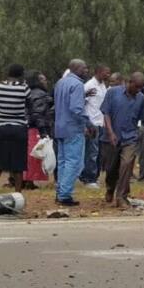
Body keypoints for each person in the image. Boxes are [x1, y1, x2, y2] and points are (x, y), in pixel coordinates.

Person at [100, 72, 144, 206]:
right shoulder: (113, 92)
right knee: (111, 168)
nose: (138, 90)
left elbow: (138, 117)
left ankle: (121, 196)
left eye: (140, 88)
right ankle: (110, 188)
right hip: (112, 136)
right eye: (136, 87)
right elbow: (106, 113)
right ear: (129, 82)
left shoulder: (141, 98)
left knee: (126, 165)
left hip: (130, 137)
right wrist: (110, 132)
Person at [54, 59, 92, 206]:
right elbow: (76, 109)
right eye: (84, 68)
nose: (86, 71)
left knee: (62, 161)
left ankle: (60, 191)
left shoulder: (60, 83)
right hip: (73, 127)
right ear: (76, 68)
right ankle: (65, 194)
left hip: (60, 127)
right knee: (73, 162)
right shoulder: (77, 84)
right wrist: (88, 123)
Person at [0, 64, 29, 195]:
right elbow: (28, 103)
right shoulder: (24, 88)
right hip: (18, 128)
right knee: (18, 164)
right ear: (21, 74)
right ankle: (17, 194)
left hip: (1, 127)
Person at [80, 64, 110, 188]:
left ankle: (94, 176)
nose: (108, 75)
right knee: (92, 152)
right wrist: (86, 125)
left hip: (101, 121)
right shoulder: (88, 85)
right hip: (92, 122)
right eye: (106, 72)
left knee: (98, 152)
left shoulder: (103, 85)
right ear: (98, 71)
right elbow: (81, 104)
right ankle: (89, 178)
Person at [23, 71, 54, 188]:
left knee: (29, 154)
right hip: (36, 128)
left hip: (29, 126)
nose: (46, 82)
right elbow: (37, 113)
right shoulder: (40, 94)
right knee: (35, 154)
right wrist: (43, 131)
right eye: (43, 79)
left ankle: (27, 179)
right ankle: (30, 180)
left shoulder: (28, 92)